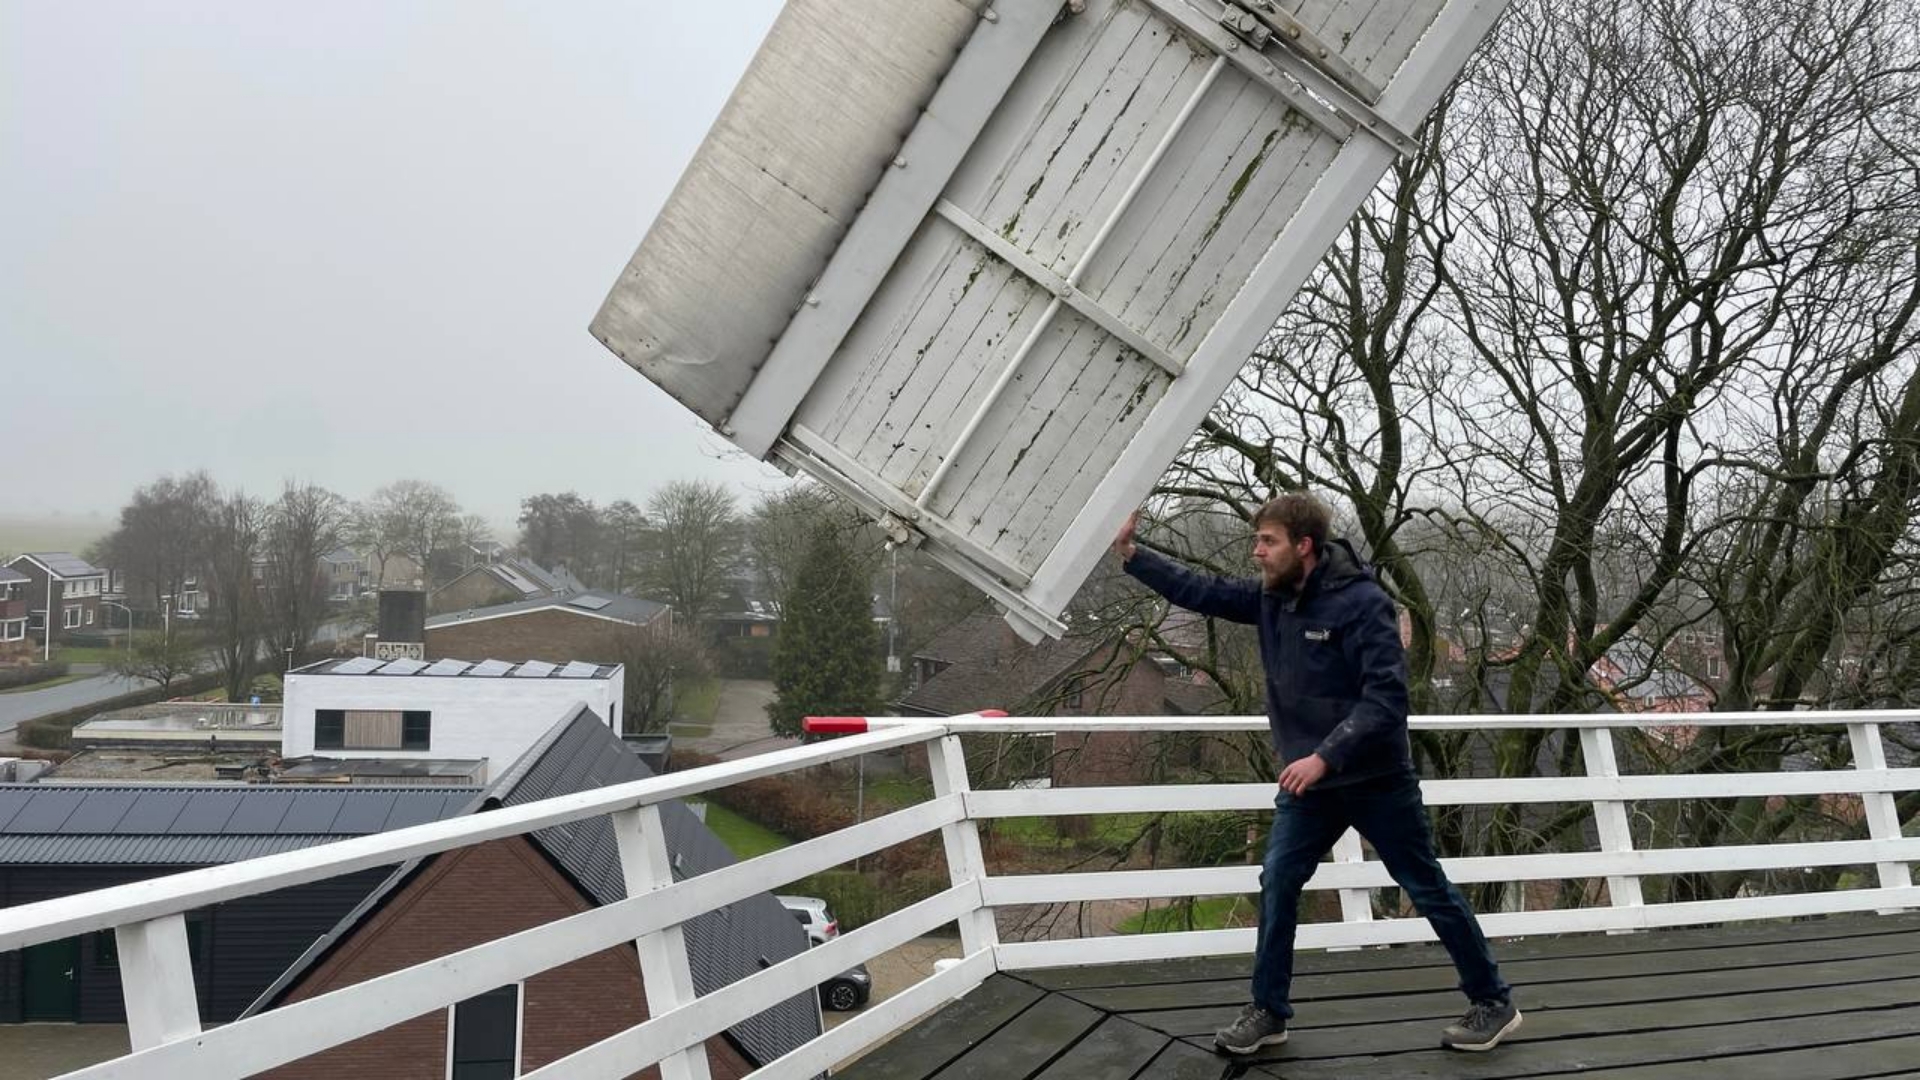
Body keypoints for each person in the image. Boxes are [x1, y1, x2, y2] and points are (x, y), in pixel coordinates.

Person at [1114, 493, 1520, 1055]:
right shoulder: (1271, 599)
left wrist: (1324, 755)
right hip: (1310, 788)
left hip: (1376, 781)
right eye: (1257, 541)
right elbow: (1201, 592)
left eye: (1267, 541)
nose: (1256, 552)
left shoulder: (1363, 603)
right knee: (1278, 880)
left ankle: (1493, 1001)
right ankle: (1269, 1011)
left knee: (1427, 888)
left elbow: (1386, 700)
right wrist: (1133, 554)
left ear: (1303, 546)